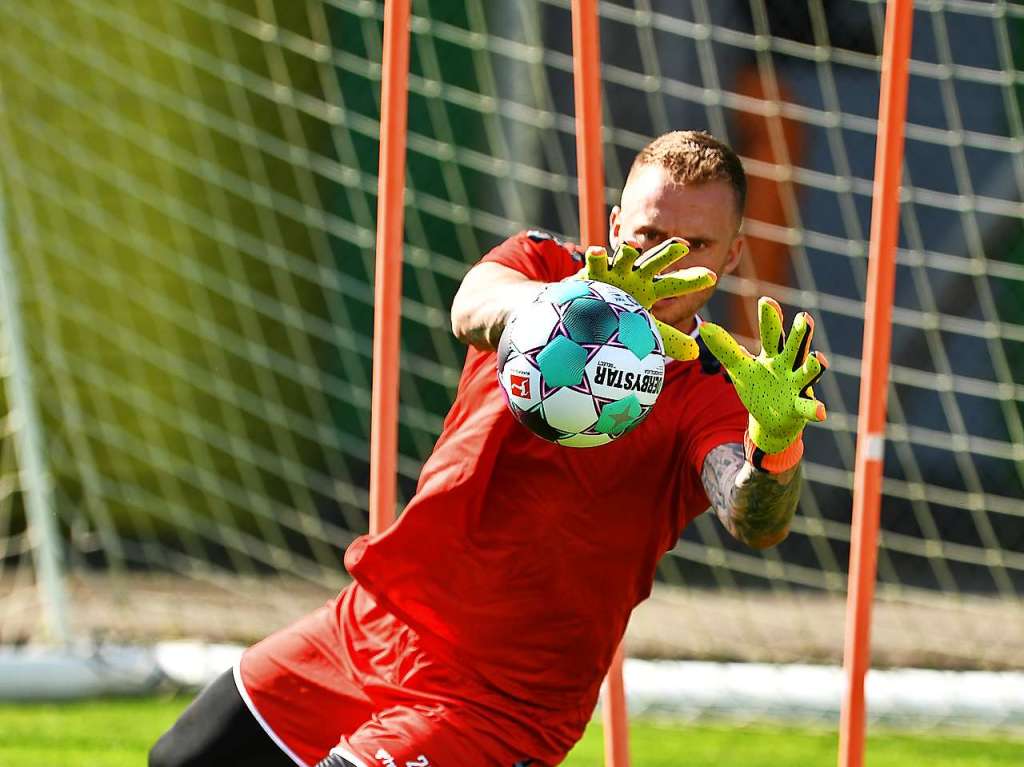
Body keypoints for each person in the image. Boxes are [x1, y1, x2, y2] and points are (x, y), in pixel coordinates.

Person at [149, 130, 828, 767]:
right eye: (650, 237)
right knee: (181, 758)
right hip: (372, 625)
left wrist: (775, 442)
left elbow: (753, 515)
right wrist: (572, 308)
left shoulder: (717, 384)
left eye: (694, 247)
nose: (666, 265)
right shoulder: (540, 266)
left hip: (498, 701)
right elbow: (472, 309)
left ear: (732, 255)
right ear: (617, 224)